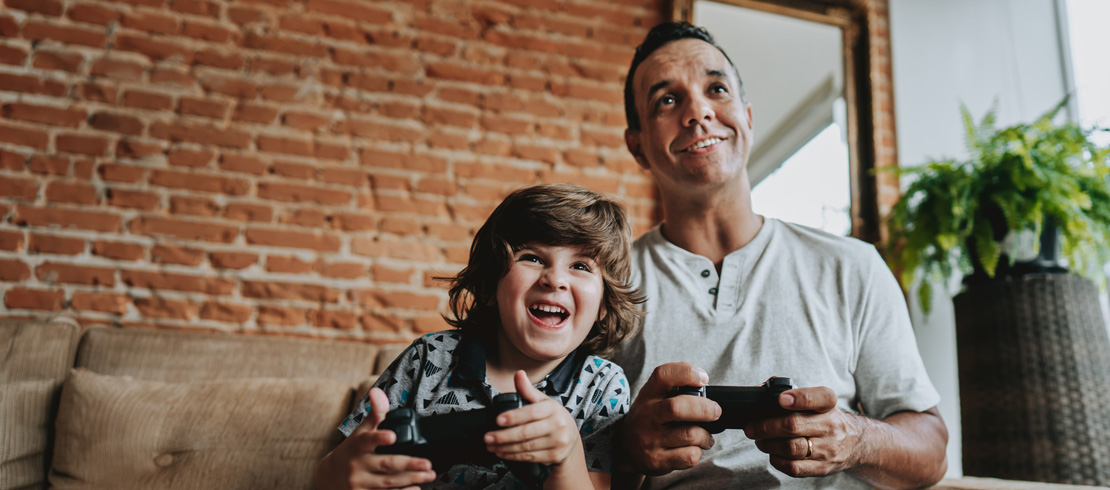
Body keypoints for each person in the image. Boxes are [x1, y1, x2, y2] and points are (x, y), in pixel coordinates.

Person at [612, 22, 948, 489]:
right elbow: (555, 455)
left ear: (747, 117)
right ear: (637, 146)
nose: (698, 112)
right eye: (667, 100)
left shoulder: (853, 267)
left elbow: (932, 452)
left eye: (716, 89)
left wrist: (856, 438)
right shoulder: (602, 287)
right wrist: (625, 449)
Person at [314, 183, 643, 490]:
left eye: (581, 266)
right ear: (488, 286)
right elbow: (332, 473)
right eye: (531, 258)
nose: (555, 279)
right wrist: (340, 470)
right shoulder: (428, 357)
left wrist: (568, 455)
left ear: (605, 304)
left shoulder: (603, 385)